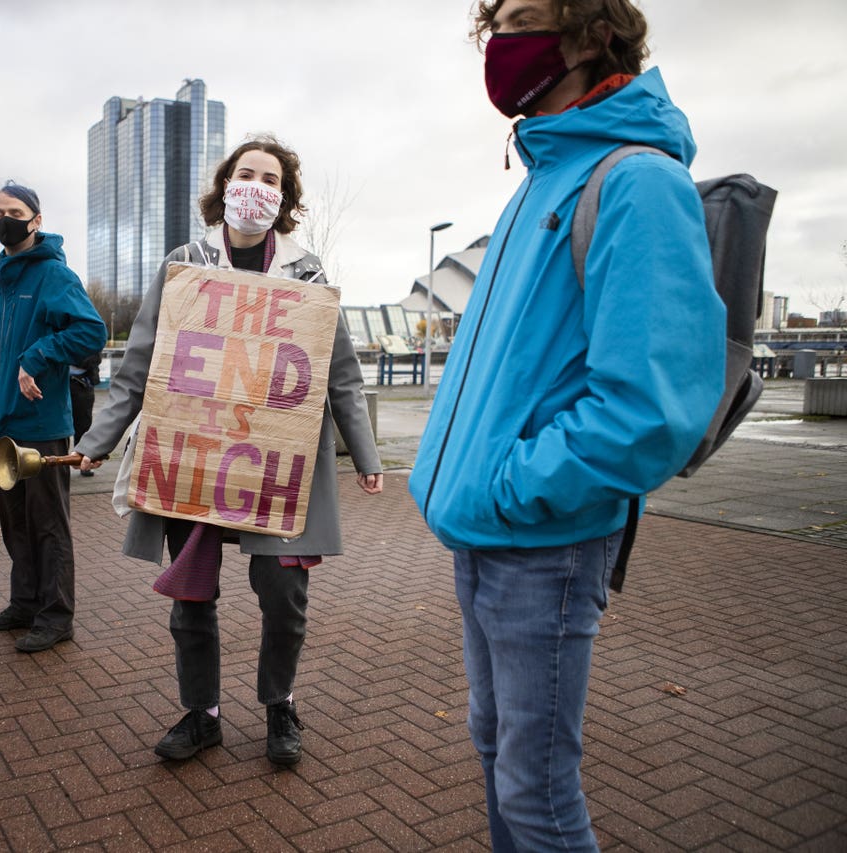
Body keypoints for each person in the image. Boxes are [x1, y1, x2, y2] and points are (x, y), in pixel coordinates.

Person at [408, 2, 725, 849]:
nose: (502, 43)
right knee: (496, 751)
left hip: (541, 541)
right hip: (485, 533)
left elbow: (649, 407)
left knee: (537, 789)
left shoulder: (634, 180)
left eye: (523, 19)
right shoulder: (540, 183)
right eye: (497, 24)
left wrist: (514, 483)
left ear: (590, 34)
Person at [75, 136, 384, 766]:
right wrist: (97, 441)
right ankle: (203, 714)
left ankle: (280, 705)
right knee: (192, 593)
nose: (257, 186)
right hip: (193, 459)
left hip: (279, 463)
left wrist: (367, 456)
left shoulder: (308, 274)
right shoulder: (185, 264)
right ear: (225, 184)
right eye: (247, 173)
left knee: (284, 597)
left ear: (284, 197)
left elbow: (340, 372)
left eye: (271, 179)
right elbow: (141, 364)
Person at [0, 182, 107, 653]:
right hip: (3, 419)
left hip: (42, 423)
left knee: (48, 526)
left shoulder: (54, 276)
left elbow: (90, 333)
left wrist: (38, 354)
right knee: (15, 524)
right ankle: (24, 603)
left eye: (15, 211)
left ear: (36, 220)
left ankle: (56, 615)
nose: (5, 218)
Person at [68, 351, 102, 476]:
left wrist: (68, 356)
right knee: (59, 428)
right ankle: (59, 463)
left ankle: (84, 461)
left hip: (82, 384)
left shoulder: (90, 336)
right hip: (60, 384)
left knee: (83, 425)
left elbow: (94, 357)